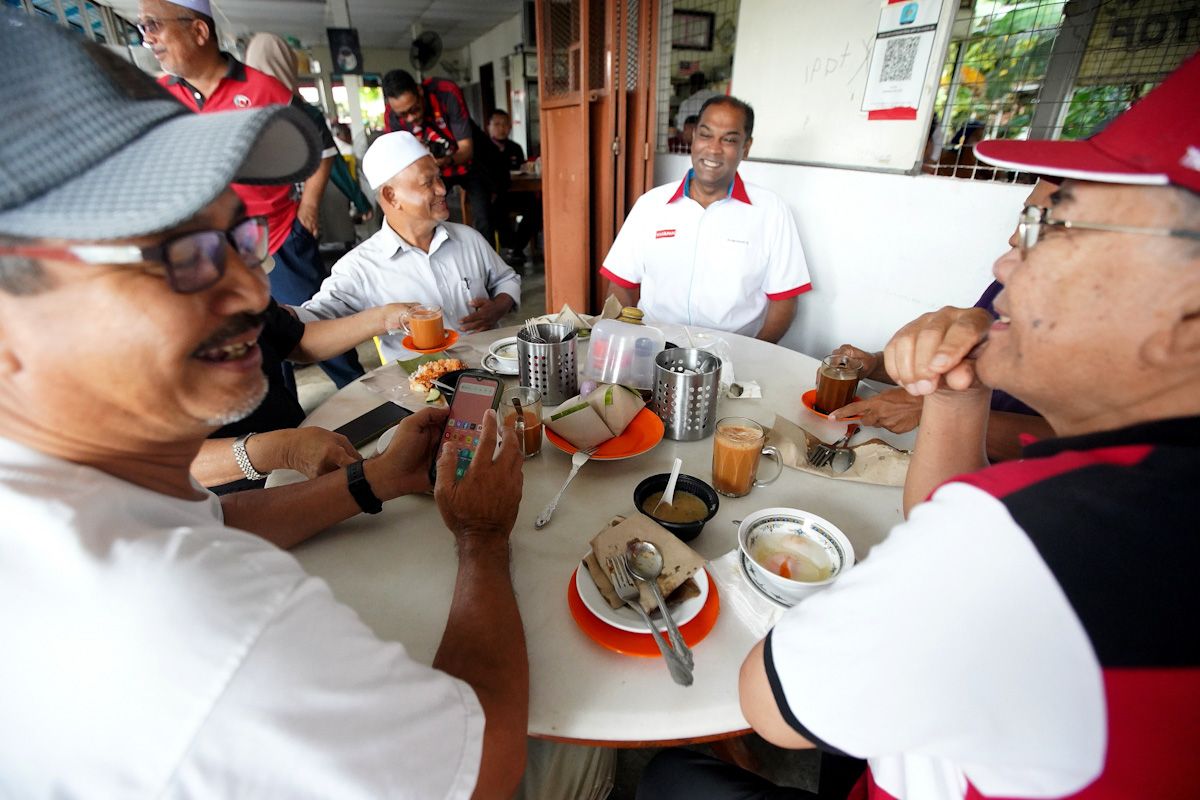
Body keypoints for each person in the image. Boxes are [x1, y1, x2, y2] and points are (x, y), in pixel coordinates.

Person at [640, 53, 1200, 800]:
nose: (1006, 260)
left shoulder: (1028, 540)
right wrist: (959, 394)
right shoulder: (1139, 489)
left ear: (1188, 315)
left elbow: (767, 704)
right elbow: (940, 515)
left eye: (1052, 225)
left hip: (816, 710)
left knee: (672, 777)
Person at [0, 13, 527, 797]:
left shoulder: (64, 496)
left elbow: (211, 518)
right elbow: (485, 763)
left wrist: (373, 480)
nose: (252, 292)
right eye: (177, 252)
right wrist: (482, 538)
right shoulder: (204, 629)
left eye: (239, 237)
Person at [140, 0, 364, 388]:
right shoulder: (158, 98)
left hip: (280, 239)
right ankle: (286, 420)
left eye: (155, 24)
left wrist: (308, 207)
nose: (149, 38)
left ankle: (370, 398)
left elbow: (323, 148)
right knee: (262, 353)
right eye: (143, 27)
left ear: (199, 30)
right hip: (217, 255)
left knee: (315, 327)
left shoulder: (263, 89)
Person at [827, 179, 1060, 462]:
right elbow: (958, 364)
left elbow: (1085, 447)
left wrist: (931, 411)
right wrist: (876, 364)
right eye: (1026, 215)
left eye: (1046, 222)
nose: (1013, 239)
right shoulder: (1009, 283)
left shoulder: (1095, 328)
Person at [298, 132, 521, 363]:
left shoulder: (468, 239)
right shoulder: (360, 268)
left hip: (489, 372)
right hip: (420, 383)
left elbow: (507, 279)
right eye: (428, 183)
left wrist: (498, 306)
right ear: (391, 196)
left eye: (439, 178)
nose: (442, 189)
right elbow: (310, 325)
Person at [602, 96, 812, 342]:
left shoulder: (771, 211)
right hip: (654, 348)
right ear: (693, 138)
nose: (713, 149)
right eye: (705, 135)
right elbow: (621, 284)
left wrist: (754, 355)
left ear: (746, 147)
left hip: (734, 352)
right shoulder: (651, 205)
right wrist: (626, 344)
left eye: (729, 140)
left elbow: (785, 300)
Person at [195, 298, 413, 494]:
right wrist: (283, 450)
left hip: (306, 446)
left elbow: (296, 341)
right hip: (229, 496)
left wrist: (383, 318)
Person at [382, 68, 493, 245]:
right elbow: (401, 163)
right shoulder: (391, 115)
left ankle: (483, 258)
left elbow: (466, 149)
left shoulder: (446, 92)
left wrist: (445, 161)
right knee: (425, 217)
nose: (410, 118)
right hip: (432, 172)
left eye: (414, 109)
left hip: (468, 163)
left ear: (419, 91)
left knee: (484, 217)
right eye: (403, 114)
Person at [481, 109, 541, 266]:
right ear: (488, 127)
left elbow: (521, 168)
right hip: (495, 195)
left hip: (516, 193)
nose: (501, 128)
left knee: (537, 207)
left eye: (505, 124)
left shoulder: (515, 148)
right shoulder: (483, 148)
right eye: (497, 124)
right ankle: (509, 245)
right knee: (496, 209)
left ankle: (517, 246)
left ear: (510, 127)